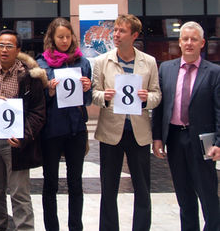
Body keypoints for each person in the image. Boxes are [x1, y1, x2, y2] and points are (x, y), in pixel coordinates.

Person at [91, 14, 161, 231]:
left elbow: (157, 95)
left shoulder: (149, 62)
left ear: (135, 35)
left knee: (142, 188)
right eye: (115, 31)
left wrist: (145, 99)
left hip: (138, 133)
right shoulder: (102, 61)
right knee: (109, 188)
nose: (116, 35)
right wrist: (105, 97)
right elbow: (94, 93)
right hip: (111, 132)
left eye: (121, 31)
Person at [152, 21, 220, 231]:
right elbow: (160, 107)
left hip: (203, 140)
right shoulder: (166, 69)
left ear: (202, 43)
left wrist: (219, 142)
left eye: (194, 39)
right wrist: (157, 138)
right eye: (185, 39)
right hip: (174, 137)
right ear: (179, 42)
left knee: (208, 194)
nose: (189, 43)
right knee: (184, 195)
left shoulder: (214, 72)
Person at [0, 30, 46, 231]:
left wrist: (24, 134)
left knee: (19, 193)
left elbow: (38, 112)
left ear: (18, 50)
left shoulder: (29, 75)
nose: (4, 50)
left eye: (9, 46)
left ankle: (24, 228)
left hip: (16, 142)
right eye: (1, 45)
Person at [36, 18, 92, 231]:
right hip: (52, 129)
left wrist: (87, 89)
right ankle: (52, 227)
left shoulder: (83, 62)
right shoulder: (42, 63)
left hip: (76, 129)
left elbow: (87, 100)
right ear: (52, 38)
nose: (65, 41)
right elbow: (38, 100)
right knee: (50, 182)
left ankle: (75, 226)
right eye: (60, 37)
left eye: (68, 37)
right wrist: (48, 90)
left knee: (75, 182)